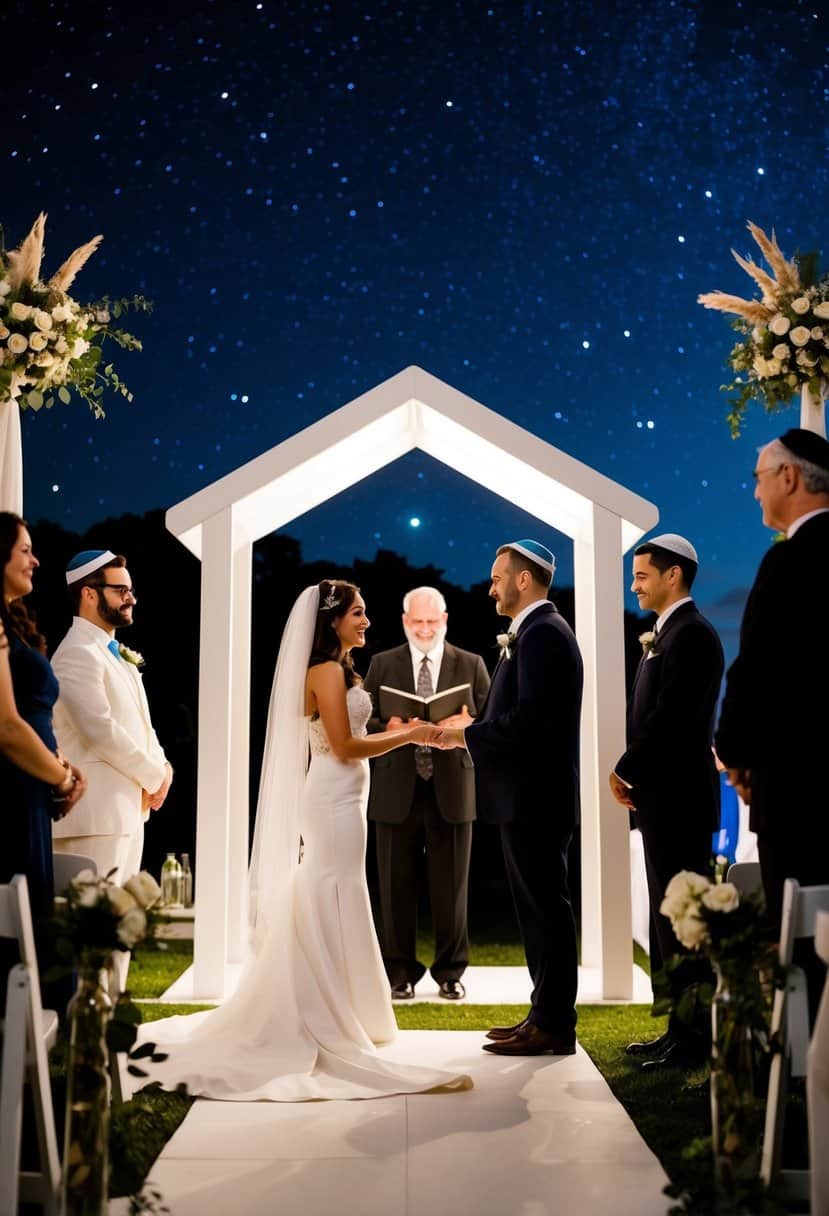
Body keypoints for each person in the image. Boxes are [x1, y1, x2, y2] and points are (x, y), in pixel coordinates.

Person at [138, 580, 471, 1100]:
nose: (366, 621)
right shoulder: (325, 672)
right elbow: (344, 745)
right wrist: (411, 733)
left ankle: (348, 1004)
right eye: (358, 613)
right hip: (333, 801)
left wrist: (407, 732)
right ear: (332, 620)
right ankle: (317, 1007)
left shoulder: (340, 670)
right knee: (327, 889)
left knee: (340, 890)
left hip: (345, 800)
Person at [438, 541, 583, 1056]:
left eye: (498, 577)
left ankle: (554, 1025)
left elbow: (532, 723)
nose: (491, 585)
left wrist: (466, 735)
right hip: (525, 797)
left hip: (536, 799)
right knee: (537, 911)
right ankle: (542, 1015)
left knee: (547, 910)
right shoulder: (533, 634)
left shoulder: (543, 634)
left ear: (525, 580)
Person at [609, 533, 724, 1070]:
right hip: (663, 798)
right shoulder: (667, 632)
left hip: (680, 799)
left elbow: (673, 718)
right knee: (666, 914)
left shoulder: (692, 635)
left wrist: (626, 768)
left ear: (673, 575)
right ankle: (676, 1030)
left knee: (685, 919)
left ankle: (694, 1037)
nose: (635, 586)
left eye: (641, 575)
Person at [716, 429, 829, 945]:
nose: (756, 492)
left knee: (802, 943)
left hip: (798, 789)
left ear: (790, 475)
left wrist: (737, 754)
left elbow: (757, 668)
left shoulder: (786, 561)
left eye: (759, 478)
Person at [363, 586, 490, 1000]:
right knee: (394, 884)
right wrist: (389, 730)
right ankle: (398, 971)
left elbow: (496, 725)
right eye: (417, 622)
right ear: (404, 621)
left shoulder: (471, 664)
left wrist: (465, 727)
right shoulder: (381, 664)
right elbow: (359, 725)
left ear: (446, 620)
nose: (424, 629)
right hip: (395, 787)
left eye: (432, 622)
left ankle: (450, 971)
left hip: (452, 787)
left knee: (452, 887)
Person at [51, 550, 172, 885]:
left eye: (130, 589)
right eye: (120, 590)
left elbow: (143, 725)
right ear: (89, 594)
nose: (131, 598)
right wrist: (153, 776)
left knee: (118, 926)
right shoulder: (76, 652)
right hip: (95, 820)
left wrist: (165, 767)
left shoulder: (115, 655)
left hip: (126, 815)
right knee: (94, 926)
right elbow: (99, 730)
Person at [0, 513, 87, 921]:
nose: (35, 561)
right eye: (25, 551)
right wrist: (63, 778)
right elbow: (7, 726)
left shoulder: (13, 625)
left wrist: (59, 766)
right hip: (12, 791)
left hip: (33, 791)